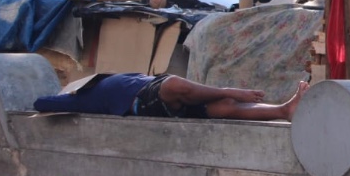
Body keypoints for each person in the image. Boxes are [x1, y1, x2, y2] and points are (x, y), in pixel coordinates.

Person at [35, 73, 308, 121]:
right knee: (175, 85)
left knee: (223, 108)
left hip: (152, 90)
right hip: (142, 100)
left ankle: (283, 111)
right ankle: (229, 90)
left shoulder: (102, 78)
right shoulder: (83, 96)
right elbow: (42, 103)